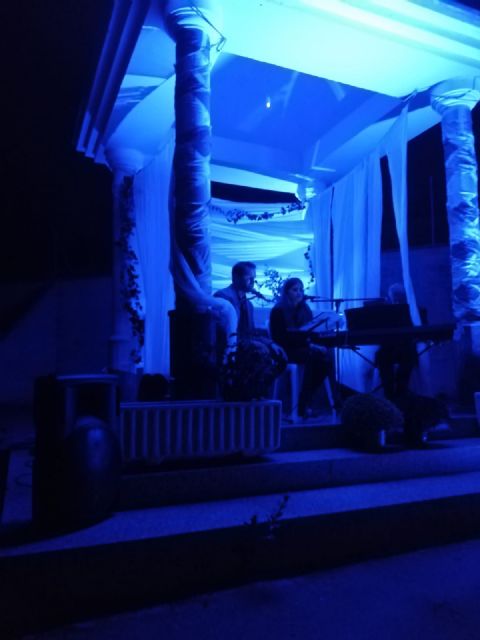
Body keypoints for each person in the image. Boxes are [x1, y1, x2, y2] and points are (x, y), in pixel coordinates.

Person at [269, 277, 331, 418]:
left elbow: (310, 331)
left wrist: (314, 343)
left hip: (303, 347)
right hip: (286, 349)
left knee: (326, 359)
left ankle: (305, 399)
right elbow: (280, 338)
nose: (299, 293)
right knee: (313, 357)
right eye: (295, 290)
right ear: (286, 292)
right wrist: (310, 345)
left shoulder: (305, 309)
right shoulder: (278, 310)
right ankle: (303, 405)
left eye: (301, 290)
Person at [374, 283, 420, 401]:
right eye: (395, 297)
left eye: (399, 297)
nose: (397, 300)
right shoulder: (385, 312)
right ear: (390, 297)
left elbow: (419, 329)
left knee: (407, 358)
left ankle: (400, 393)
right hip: (389, 349)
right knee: (382, 358)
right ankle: (389, 394)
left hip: (406, 348)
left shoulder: (413, 310)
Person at [214, 261, 257, 338]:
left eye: (254, 278)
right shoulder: (222, 296)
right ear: (236, 277)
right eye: (249, 278)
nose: (253, 282)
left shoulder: (249, 305)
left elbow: (251, 332)